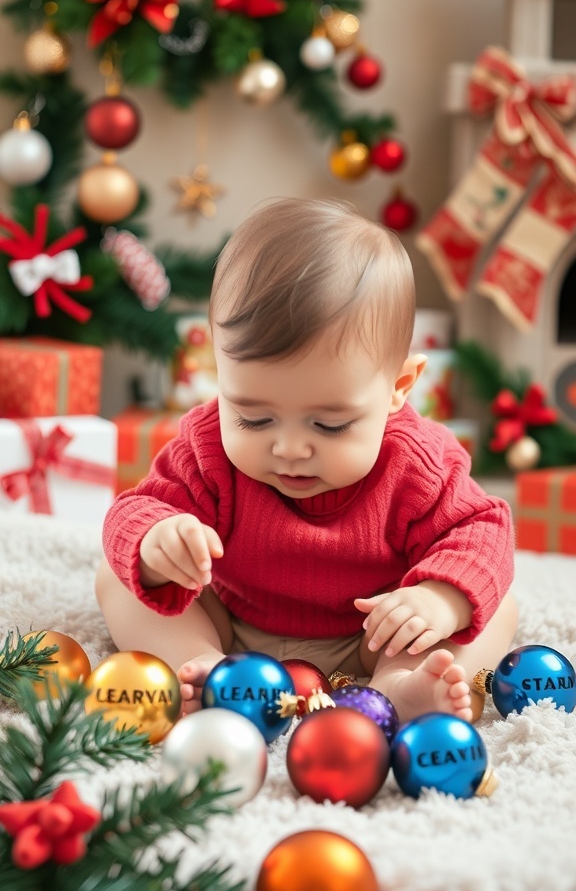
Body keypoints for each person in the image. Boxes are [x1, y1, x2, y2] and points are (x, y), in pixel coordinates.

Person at [96, 197, 517, 725]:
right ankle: (203, 670)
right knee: (118, 577)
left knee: (492, 601)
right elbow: (132, 510)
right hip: (234, 624)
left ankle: (400, 690)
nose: (289, 448)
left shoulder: (419, 462)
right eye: (253, 417)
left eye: (329, 424)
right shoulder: (204, 448)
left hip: (375, 635)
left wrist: (440, 599)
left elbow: (483, 529)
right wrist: (157, 543)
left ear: (398, 388)